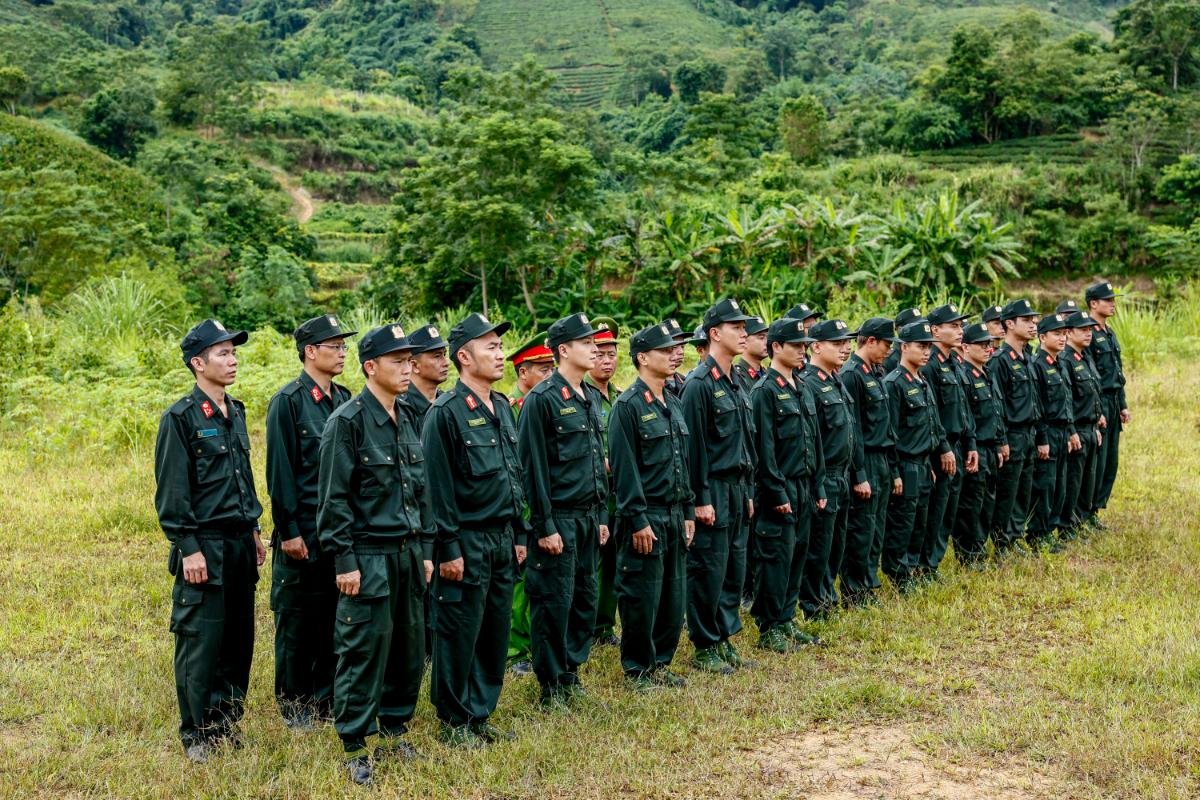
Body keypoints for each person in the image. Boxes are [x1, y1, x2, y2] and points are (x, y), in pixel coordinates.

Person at [317, 324, 433, 785]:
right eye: (397, 361)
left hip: (407, 552)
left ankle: (395, 729)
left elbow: (419, 491)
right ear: (371, 366)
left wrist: (423, 547)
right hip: (367, 555)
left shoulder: (407, 416)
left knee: (407, 648)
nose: (408, 368)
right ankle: (355, 743)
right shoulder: (347, 422)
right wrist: (344, 560)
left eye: (410, 361)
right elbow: (334, 500)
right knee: (363, 649)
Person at [154, 319, 265, 764]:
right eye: (223, 353)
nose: (233, 359)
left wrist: (255, 529)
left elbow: (243, 480)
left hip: (240, 542)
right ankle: (198, 732)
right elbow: (173, 491)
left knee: (238, 639)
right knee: (201, 640)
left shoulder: (234, 410)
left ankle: (225, 723)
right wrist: (189, 546)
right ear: (198, 363)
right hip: (206, 545)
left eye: (234, 352)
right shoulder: (180, 418)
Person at [423, 313, 528, 748]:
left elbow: (514, 473)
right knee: (459, 630)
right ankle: (454, 719)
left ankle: (480, 711)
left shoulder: (502, 406)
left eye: (501, 347)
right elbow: (437, 487)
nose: (500, 353)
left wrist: (521, 533)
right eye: (491, 347)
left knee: (493, 631)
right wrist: (447, 547)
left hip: (502, 537)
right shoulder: (445, 414)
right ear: (464, 357)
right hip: (465, 539)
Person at [265, 314, 356, 731]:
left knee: (332, 617)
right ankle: (294, 701)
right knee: (297, 620)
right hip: (302, 530)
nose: (341, 352)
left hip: (335, 530)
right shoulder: (289, 401)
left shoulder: (344, 399)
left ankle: (326, 696)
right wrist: (289, 530)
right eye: (333, 346)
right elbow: (280, 472)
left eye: (343, 346)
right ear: (310, 351)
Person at [518, 313, 610, 710]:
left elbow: (596, 461)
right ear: (563, 351)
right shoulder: (542, 399)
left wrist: (602, 516)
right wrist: (544, 525)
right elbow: (533, 469)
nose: (595, 348)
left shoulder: (586, 395)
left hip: (589, 518)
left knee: (584, 601)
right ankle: (551, 684)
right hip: (559, 519)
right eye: (586, 342)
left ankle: (571, 673)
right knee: (554, 603)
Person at [608, 322, 696, 691]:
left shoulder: (673, 402)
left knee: (672, 595)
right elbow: (624, 470)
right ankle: (638, 668)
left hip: (675, 512)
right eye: (665, 350)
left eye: (677, 348)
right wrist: (638, 519)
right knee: (642, 595)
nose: (675, 354)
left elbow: (682, 461)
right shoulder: (627, 406)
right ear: (643, 358)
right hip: (646, 516)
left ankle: (660, 661)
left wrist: (689, 510)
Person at [681, 298, 757, 674]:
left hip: (738, 488)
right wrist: (699, 499)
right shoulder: (698, 384)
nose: (744, 333)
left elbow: (745, 440)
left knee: (732, 567)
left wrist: (749, 492)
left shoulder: (738, 379)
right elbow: (693, 449)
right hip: (712, 488)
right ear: (714, 334)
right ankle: (705, 643)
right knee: (708, 569)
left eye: (745, 327)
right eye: (736, 327)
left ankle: (724, 636)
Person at [750, 318, 827, 651]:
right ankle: (770, 628)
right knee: (776, 559)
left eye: (804, 346)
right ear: (776, 347)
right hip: (778, 490)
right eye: (795, 345)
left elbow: (816, 441)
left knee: (797, 555)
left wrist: (819, 485)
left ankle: (786, 618)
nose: (802, 352)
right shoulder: (764, 391)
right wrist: (776, 491)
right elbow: (764, 449)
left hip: (805, 484)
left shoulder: (802, 386)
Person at [880, 322, 946, 591]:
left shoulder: (922, 379)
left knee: (919, 521)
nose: (926, 351)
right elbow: (891, 433)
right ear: (904, 347)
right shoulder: (894, 383)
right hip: (905, 463)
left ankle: (914, 567)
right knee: (903, 522)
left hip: (922, 463)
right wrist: (895, 472)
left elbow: (930, 424)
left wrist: (931, 459)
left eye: (929, 346)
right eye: (921, 346)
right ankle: (898, 574)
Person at [799, 319, 857, 618]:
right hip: (825, 476)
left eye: (846, 343)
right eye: (837, 344)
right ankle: (814, 605)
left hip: (843, 474)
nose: (844, 348)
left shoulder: (835, 380)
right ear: (816, 346)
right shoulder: (809, 383)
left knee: (836, 544)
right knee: (819, 547)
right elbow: (813, 439)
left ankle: (828, 596)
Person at [505, 334, 555, 675]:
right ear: (523, 372)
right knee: (520, 581)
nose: (549, 375)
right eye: (542, 369)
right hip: (521, 504)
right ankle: (515, 649)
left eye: (552, 368)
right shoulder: (515, 409)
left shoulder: (546, 403)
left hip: (545, 499)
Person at [838, 317, 898, 606]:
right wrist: (859, 472)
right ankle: (854, 589)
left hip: (882, 458)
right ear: (871, 340)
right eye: (886, 344)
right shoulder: (852, 374)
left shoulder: (875, 371)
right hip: (866, 460)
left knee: (876, 528)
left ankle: (868, 582)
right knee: (861, 528)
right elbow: (855, 429)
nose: (889, 350)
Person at [918, 304, 974, 577]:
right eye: (954, 326)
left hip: (958, 444)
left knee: (949, 509)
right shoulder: (929, 366)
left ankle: (934, 561)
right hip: (941, 448)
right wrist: (943, 448)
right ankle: (926, 565)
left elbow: (962, 407)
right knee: (936, 510)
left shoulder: (953, 362)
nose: (960, 331)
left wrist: (970, 443)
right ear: (935, 330)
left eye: (960, 326)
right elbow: (932, 413)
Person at [989, 299, 1042, 555]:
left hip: (1029, 433)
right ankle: (1001, 542)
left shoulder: (1027, 357)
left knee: (1023, 489)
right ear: (1010, 324)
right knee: (1007, 491)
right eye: (1027, 320)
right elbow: (997, 405)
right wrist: (1001, 440)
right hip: (1012, 434)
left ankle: (1014, 535)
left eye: (1034, 320)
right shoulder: (1000, 360)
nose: (1033, 325)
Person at [952, 323, 1007, 565]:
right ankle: (969, 553)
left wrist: (1000, 441)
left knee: (987, 502)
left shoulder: (986, 373)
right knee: (971, 504)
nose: (989, 349)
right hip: (975, 449)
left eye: (990, 344)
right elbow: (966, 419)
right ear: (965, 347)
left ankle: (980, 547)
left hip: (990, 447)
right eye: (982, 345)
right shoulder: (964, 376)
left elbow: (995, 412)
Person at [1028, 313, 1079, 551]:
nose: (1062, 338)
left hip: (1061, 431)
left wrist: (1070, 431)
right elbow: (1037, 406)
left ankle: (1050, 529)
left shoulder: (1060, 363)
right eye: (1057, 334)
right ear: (1042, 337)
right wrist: (1042, 438)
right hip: (1047, 432)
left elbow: (1065, 402)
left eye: (1064, 333)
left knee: (1059, 485)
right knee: (1045, 486)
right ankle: (1038, 534)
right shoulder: (1037, 365)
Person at [585, 317, 622, 648]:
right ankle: (584, 624)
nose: (606, 361)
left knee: (612, 563)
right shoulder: (580, 398)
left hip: (617, 494)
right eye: (598, 354)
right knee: (590, 564)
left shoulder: (620, 397)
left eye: (611, 354)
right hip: (590, 494)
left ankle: (604, 625)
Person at [1085, 281, 1129, 529]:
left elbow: (1116, 372)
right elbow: (1091, 376)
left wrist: (1122, 404)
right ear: (1093, 304)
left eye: (1113, 300)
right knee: (1097, 461)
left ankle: (1096, 509)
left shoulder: (1108, 332)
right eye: (1108, 300)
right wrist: (1098, 409)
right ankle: (1087, 511)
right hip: (1099, 401)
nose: (1113, 304)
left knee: (1111, 460)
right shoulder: (1088, 333)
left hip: (1113, 399)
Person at [733, 314, 768, 608]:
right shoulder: (739, 377)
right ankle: (745, 588)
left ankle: (753, 585)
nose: (764, 341)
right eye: (760, 336)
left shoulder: (764, 376)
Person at [1060, 311, 1106, 538]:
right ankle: (1067, 525)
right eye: (1083, 330)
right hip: (1077, 428)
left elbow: (1093, 392)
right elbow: (1067, 399)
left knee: (1088, 479)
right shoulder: (1065, 360)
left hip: (1090, 427)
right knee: (1073, 480)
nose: (1089, 334)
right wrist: (1071, 431)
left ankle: (1081, 520)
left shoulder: (1085, 356)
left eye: (1090, 330)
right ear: (1069, 333)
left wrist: (1097, 421)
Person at [404, 323, 450, 420]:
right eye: (437, 356)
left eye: (444, 354)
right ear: (415, 365)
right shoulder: (401, 407)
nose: (446, 363)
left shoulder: (448, 402)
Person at [883, 307, 924, 374]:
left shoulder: (923, 352)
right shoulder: (890, 359)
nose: (920, 329)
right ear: (900, 329)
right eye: (915, 326)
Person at [732, 315, 769, 386]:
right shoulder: (737, 376)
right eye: (761, 338)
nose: (767, 342)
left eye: (767, 337)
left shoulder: (766, 373)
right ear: (744, 340)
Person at [661, 318, 691, 398]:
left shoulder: (686, 381)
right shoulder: (654, 385)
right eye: (674, 347)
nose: (681, 352)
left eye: (682, 346)